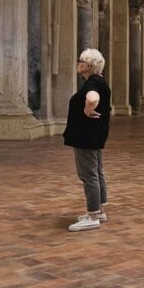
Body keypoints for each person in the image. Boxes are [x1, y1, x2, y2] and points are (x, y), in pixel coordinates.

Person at [63, 48, 112, 232]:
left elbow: (92, 99)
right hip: (95, 134)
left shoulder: (92, 84)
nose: (78, 62)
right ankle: (99, 211)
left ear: (88, 65)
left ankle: (92, 216)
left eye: (80, 60)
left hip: (86, 136)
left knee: (88, 175)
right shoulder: (100, 81)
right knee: (97, 172)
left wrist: (86, 110)